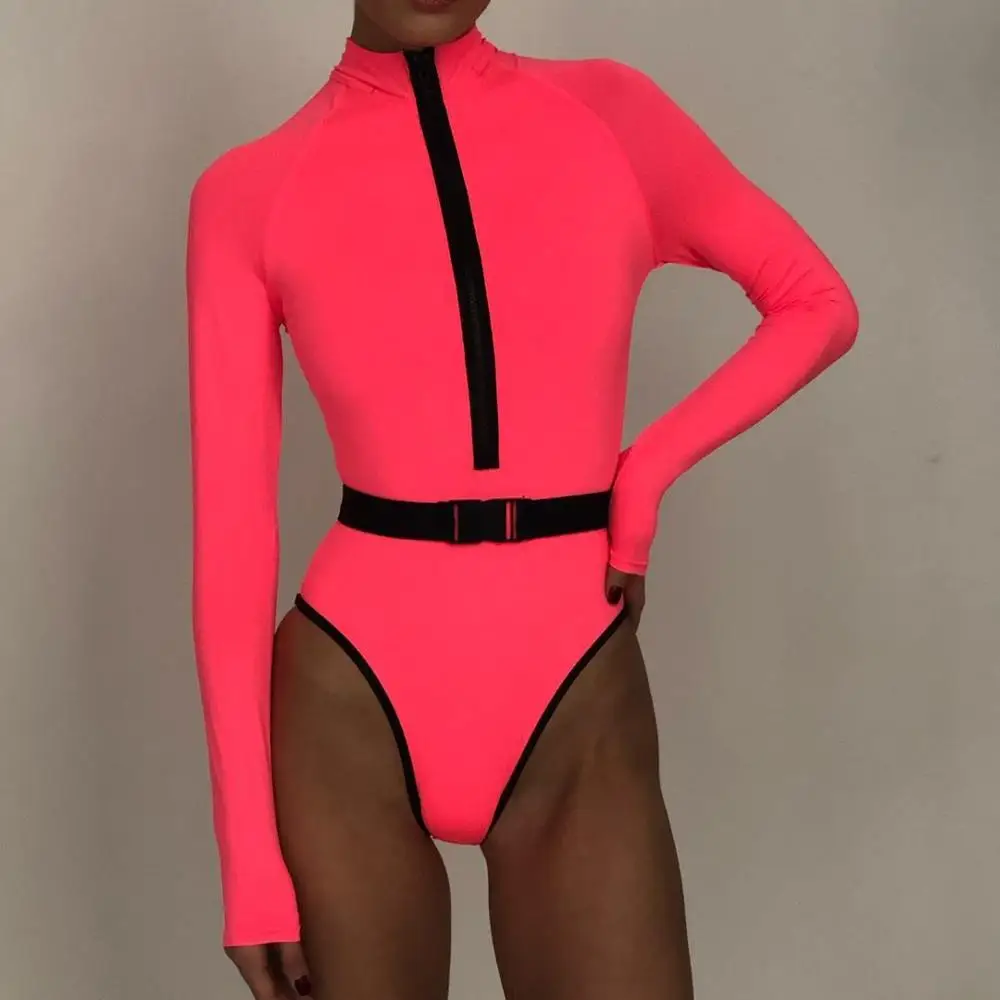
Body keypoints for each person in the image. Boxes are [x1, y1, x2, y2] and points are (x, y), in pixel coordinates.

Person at [185, 0, 859, 996]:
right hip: (346, 705)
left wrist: (644, 472)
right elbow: (233, 547)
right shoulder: (248, 191)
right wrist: (250, 873)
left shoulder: (611, 115)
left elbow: (816, 301)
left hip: (572, 695)